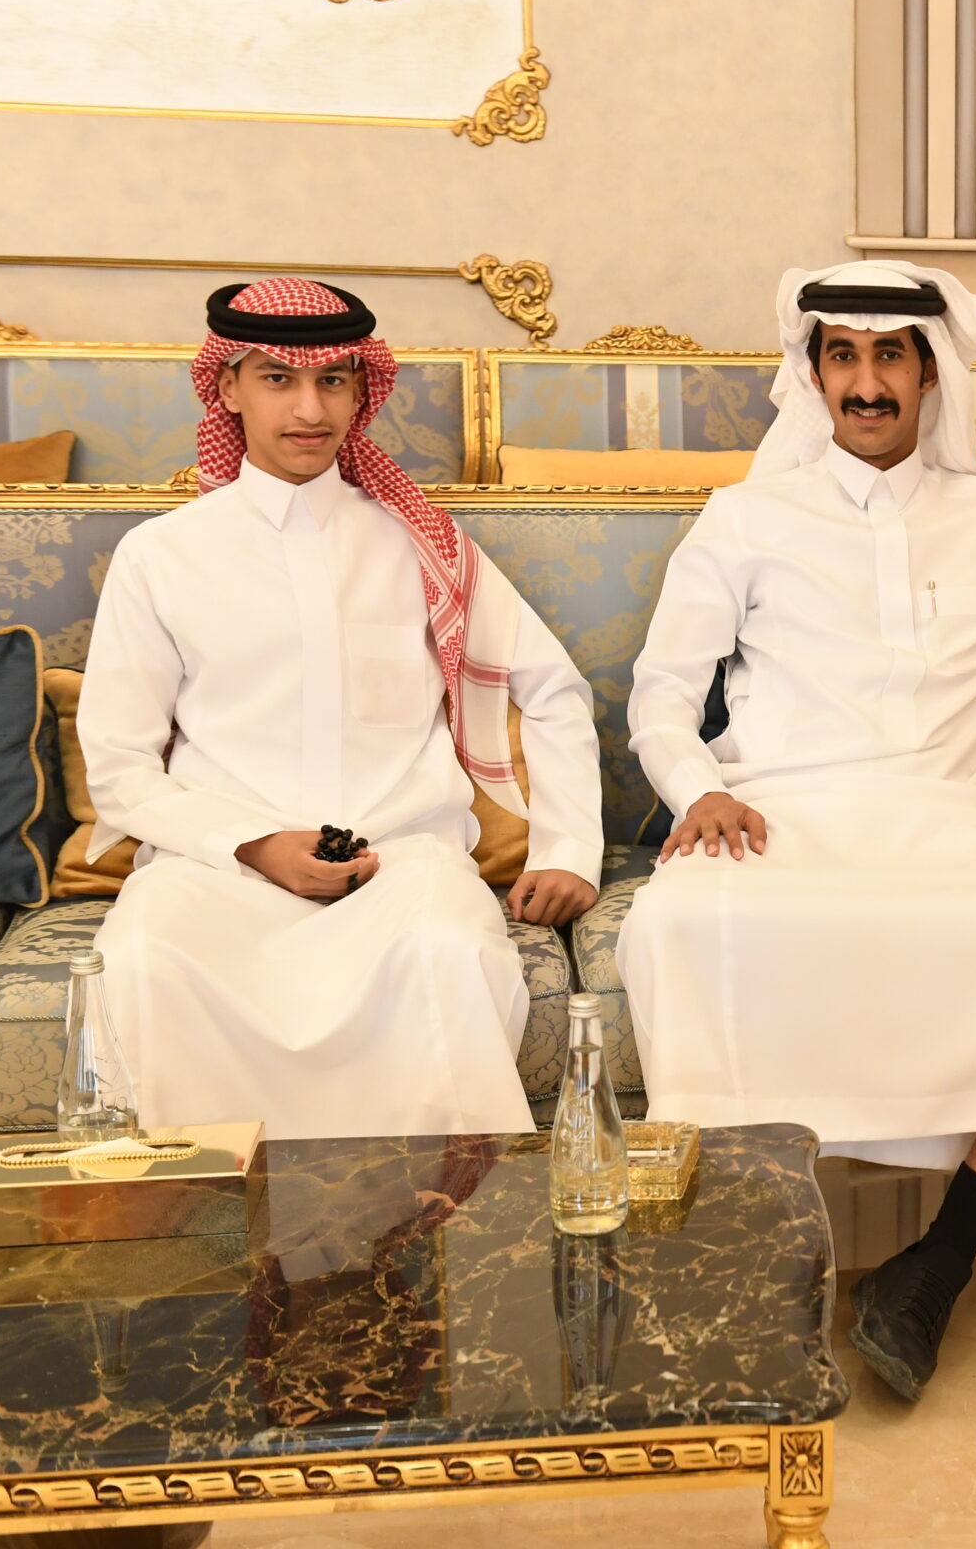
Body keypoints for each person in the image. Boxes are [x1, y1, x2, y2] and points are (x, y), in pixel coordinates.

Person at [618, 260, 976, 1403]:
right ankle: (748, 1259)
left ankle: (935, 1267)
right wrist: (698, 787)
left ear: (929, 372)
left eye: (890, 357)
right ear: (812, 374)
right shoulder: (747, 517)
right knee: (676, 930)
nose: (867, 383)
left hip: (956, 814)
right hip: (782, 812)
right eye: (844, 357)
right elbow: (660, 690)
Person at [77, 279, 603, 1141]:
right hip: (217, 876)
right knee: (141, 957)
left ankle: (436, 1217)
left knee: (451, 955)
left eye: (332, 381)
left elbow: (553, 689)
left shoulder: (422, 544)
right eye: (277, 379)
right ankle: (213, 1221)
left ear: (362, 390)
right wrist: (255, 844)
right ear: (227, 388)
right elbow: (119, 764)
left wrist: (570, 847)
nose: (309, 409)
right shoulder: (161, 556)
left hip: (402, 869)